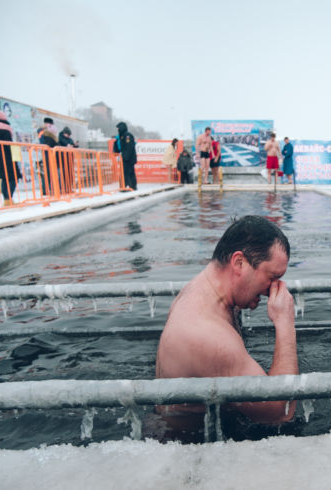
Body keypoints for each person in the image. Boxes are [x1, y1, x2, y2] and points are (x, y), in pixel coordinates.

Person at [155, 215, 297, 427]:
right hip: (191, 452)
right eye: (271, 277)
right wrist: (285, 323)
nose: (272, 290)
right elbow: (279, 412)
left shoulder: (200, 292)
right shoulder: (207, 335)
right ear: (239, 263)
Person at [0, 107, 21, 205]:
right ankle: (9, 199)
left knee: (5, 178)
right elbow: (9, 145)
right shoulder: (4, 131)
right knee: (13, 177)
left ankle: (6, 199)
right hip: (8, 157)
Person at [114, 122, 138, 191]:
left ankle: (132, 187)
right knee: (123, 173)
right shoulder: (120, 136)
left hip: (129, 159)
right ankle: (124, 187)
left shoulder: (127, 136)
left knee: (129, 173)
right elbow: (118, 148)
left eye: (118, 128)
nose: (118, 129)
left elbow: (129, 147)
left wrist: (125, 157)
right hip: (124, 158)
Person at [38, 117, 58, 196]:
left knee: (51, 172)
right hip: (45, 154)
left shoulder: (52, 132)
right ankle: (45, 190)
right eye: (49, 124)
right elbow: (43, 142)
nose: (50, 125)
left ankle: (51, 189)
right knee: (47, 172)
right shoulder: (42, 131)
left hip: (51, 154)